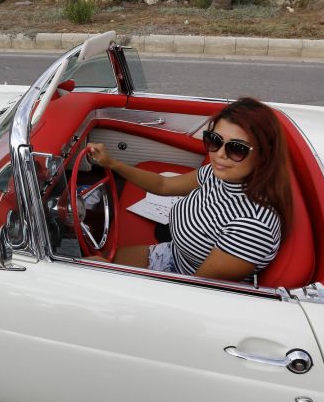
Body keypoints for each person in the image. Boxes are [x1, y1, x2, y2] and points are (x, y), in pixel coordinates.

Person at [87, 97, 292, 283]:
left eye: (236, 149)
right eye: (215, 141)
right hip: (174, 254)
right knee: (92, 262)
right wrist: (112, 164)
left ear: (265, 154)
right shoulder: (219, 175)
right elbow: (164, 185)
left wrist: (111, 277)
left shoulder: (252, 228)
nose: (220, 154)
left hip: (186, 283)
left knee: (87, 275)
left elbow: (192, 291)